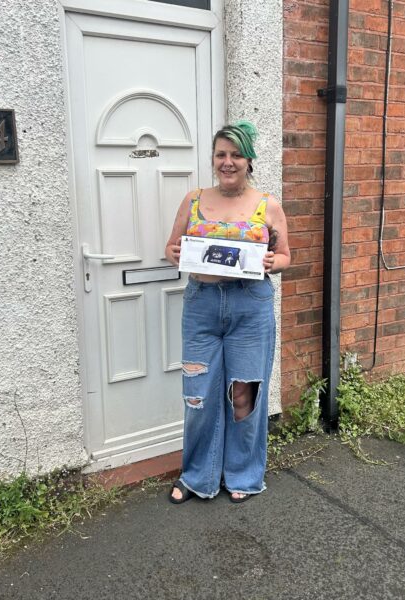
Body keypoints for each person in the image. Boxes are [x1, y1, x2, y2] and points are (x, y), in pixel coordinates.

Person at [164, 120, 291, 503]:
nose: (227, 161)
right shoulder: (194, 201)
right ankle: (197, 477)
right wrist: (174, 254)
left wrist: (273, 262)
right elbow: (171, 247)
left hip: (249, 307)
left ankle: (243, 475)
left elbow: (285, 256)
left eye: (236, 154)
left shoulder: (268, 205)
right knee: (198, 397)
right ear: (213, 159)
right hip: (201, 306)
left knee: (244, 397)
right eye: (221, 154)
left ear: (249, 160)